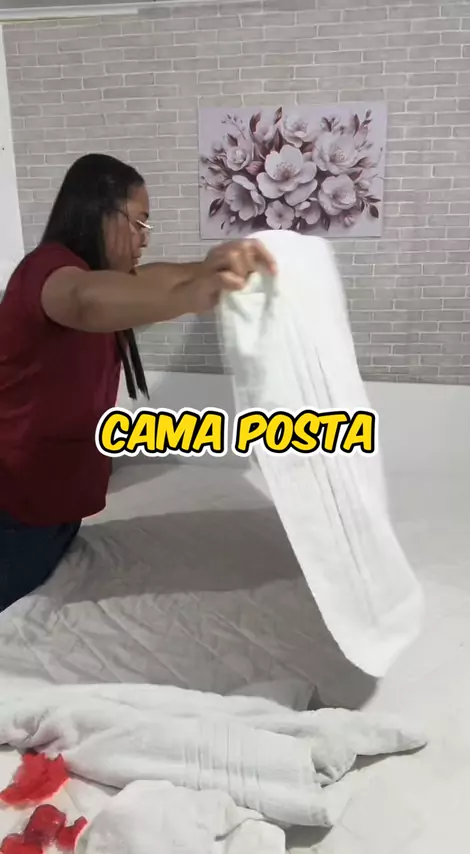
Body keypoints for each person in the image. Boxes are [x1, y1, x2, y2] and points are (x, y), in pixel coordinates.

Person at [0, 152, 276, 611]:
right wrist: (197, 291)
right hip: (15, 509)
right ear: (100, 211)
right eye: (139, 222)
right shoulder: (46, 272)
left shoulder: (103, 279)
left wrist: (207, 268)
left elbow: (147, 278)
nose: (145, 238)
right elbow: (85, 300)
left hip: (59, 507)